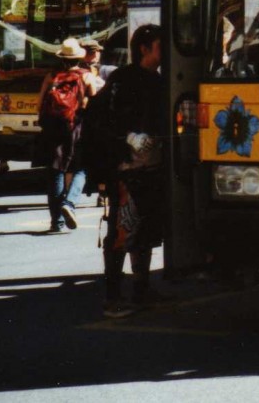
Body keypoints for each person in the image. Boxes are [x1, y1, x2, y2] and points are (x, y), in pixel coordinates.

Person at [82, 24, 166, 319]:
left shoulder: (160, 80)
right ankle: (113, 297)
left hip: (153, 166)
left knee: (146, 230)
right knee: (121, 230)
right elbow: (97, 118)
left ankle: (141, 289)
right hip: (126, 168)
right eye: (159, 45)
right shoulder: (122, 79)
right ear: (144, 48)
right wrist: (127, 137)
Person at [36, 38, 91, 233]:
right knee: (81, 168)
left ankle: (56, 222)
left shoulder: (51, 76)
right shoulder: (86, 76)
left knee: (55, 172)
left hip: (53, 128)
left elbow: (40, 103)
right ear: (78, 58)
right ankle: (70, 203)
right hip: (77, 128)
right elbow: (93, 102)